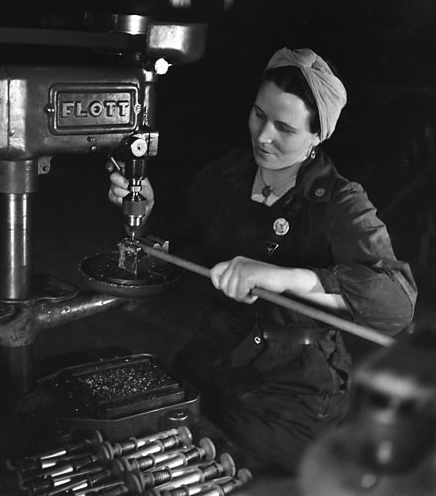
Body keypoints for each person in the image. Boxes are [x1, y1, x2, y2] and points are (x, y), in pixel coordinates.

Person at [108, 47, 417, 474]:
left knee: (230, 473)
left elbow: (396, 306)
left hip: (292, 395)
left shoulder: (340, 203)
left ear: (317, 136)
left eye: (285, 128)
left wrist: (283, 277)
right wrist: (144, 210)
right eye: (258, 115)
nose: (263, 136)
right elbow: (167, 237)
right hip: (212, 361)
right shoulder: (229, 175)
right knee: (150, 452)